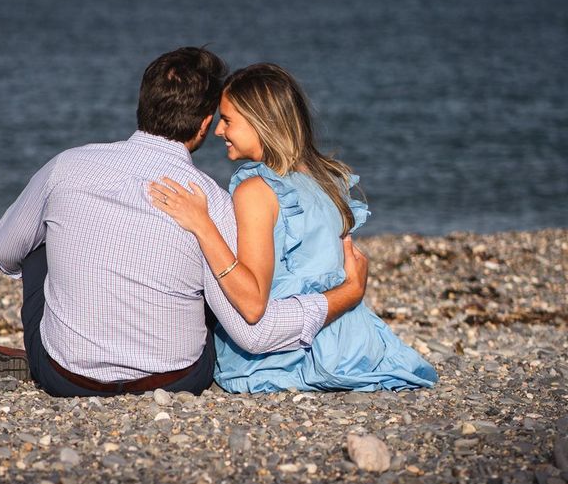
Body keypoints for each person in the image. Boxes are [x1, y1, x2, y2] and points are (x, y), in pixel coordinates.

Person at [0, 48, 369, 397]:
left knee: (37, 243)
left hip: (67, 377)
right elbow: (253, 329)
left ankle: (73, 343)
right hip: (174, 379)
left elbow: (3, 251)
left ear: (143, 102)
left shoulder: (66, 166)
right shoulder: (210, 199)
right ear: (203, 124)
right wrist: (345, 295)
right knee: (211, 280)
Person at [149, 62, 437, 394]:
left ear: (260, 124)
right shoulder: (324, 178)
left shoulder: (256, 191)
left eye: (228, 120)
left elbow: (254, 301)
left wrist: (202, 225)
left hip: (287, 351)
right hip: (349, 339)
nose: (217, 131)